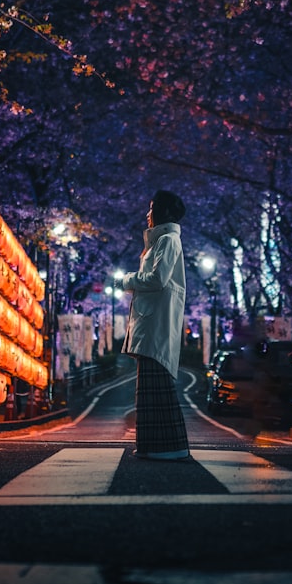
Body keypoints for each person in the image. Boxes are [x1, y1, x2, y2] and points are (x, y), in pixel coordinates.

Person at [120, 190, 191, 461]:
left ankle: (170, 447)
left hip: (156, 324)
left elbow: (157, 279)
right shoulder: (161, 241)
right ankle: (155, 446)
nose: (147, 214)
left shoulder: (168, 240)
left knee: (157, 386)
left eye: (151, 209)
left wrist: (126, 280)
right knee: (150, 391)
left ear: (162, 212)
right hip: (151, 323)